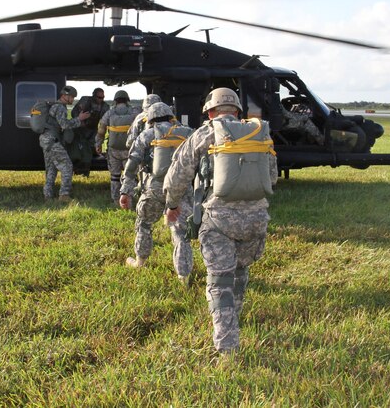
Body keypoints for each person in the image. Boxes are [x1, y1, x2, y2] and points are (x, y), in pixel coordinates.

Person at [164, 87, 278, 354]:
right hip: (257, 219)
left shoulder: (204, 134)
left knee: (219, 282)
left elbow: (178, 174)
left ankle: (227, 347)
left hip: (219, 221)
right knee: (240, 271)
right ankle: (234, 318)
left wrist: (172, 204)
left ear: (210, 112)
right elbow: (271, 177)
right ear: (237, 111)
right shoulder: (258, 132)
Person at [119, 102, 194, 285]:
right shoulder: (187, 133)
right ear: (171, 117)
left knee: (144, 224)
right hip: (181, 189)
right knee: (180, 232)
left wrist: (125, 191)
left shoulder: (147, 134)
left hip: (154, 188)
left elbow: (131, 164)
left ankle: (140, 262)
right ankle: (183, 276)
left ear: (150, 119)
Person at [40, 85, 90, 201]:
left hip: (46, 140)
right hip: (53, 141)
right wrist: (79, 119)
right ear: (64, 96)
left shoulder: (54, 106)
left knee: (51, 169)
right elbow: (64, 125)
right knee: (67, 166)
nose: (72, 99)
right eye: (71, 97)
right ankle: (64, 195)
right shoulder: (60, 108)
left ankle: (47, 195)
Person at [95, 90, 141, 204]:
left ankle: (116, 199)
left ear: (115, 100)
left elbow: (101, 131)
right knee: (130, 176)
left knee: (115, 176)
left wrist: (98, 144)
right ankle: (130, 199)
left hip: (113, 150)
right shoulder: (134, 112)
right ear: (127, 100)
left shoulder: (109, 113)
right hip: (129, 150)